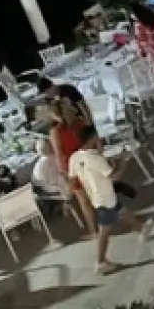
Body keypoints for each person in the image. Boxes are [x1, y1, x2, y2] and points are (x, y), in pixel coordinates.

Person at [68, 125, 153, 275]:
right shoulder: (96, 159)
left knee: (121, 210)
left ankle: (141, 228)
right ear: (92, 139)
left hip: (96, 197)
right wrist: (123, 162)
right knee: (105, 232)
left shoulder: (74, 157)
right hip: (105, 198)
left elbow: (72, 178)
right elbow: (114, 177)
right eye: (97, 137)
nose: (99, 139)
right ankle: (100, 261)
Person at [48, 98, 94, 232]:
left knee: (90, 197)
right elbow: (59, 155)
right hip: (76, 167)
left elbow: (92, 137)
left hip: (83, 163)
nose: (71, 108)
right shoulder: (58, 131)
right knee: (85, 199)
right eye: (67, 107)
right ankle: (94, 230)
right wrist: (65, 174)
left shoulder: (79, 122)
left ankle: (97, 229)